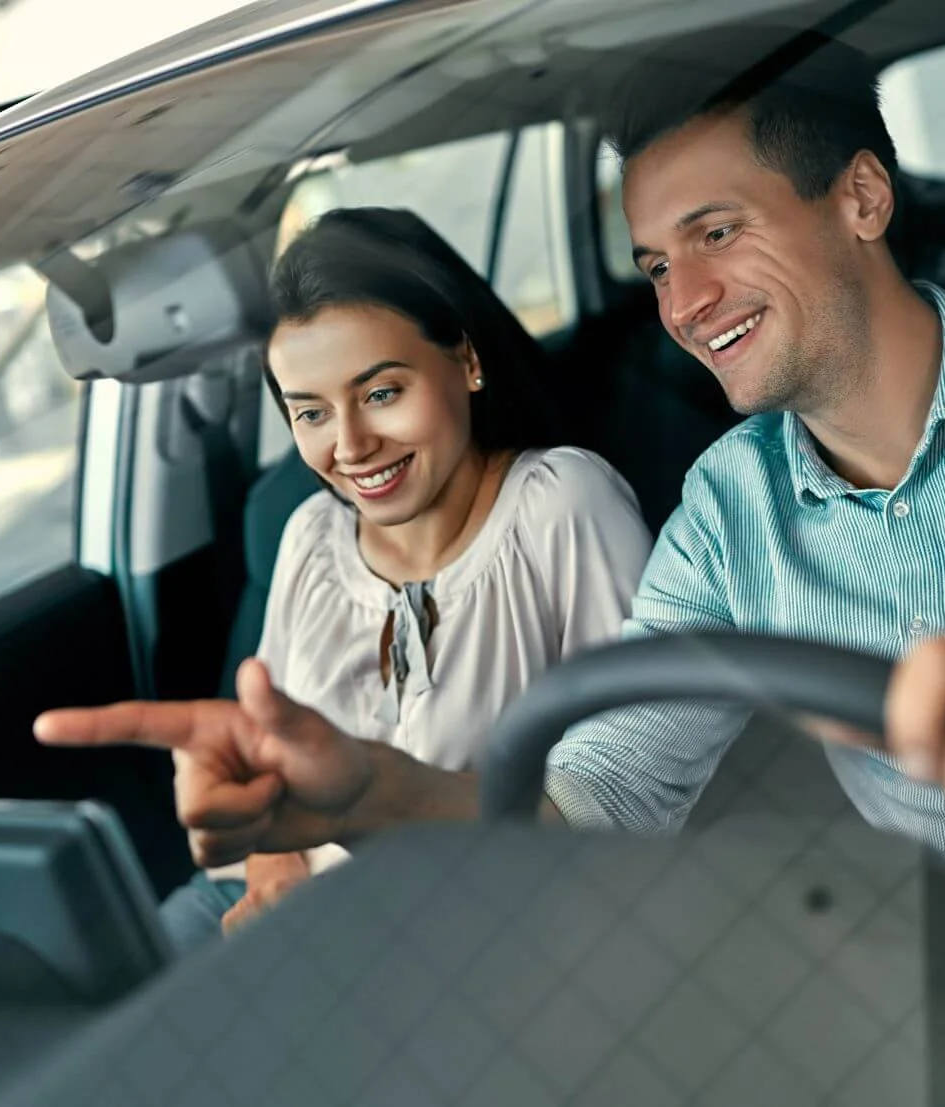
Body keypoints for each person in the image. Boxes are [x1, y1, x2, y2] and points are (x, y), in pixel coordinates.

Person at [37, 38, 945, 1098]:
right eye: (653, 263)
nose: (680, 306)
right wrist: (366, 786)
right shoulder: (730, 512)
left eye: (719, 234)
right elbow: (592, 798)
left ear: (859, 195)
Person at [154, 207, 652, 947]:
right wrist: (272, 872)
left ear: (466, 361)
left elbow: (634, 804)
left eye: (382, 392)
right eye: (311, 412)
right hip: (292, 911)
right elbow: (270, 787)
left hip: (485, 931)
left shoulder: (563, 504)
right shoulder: (310, 539)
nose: (350, 446)